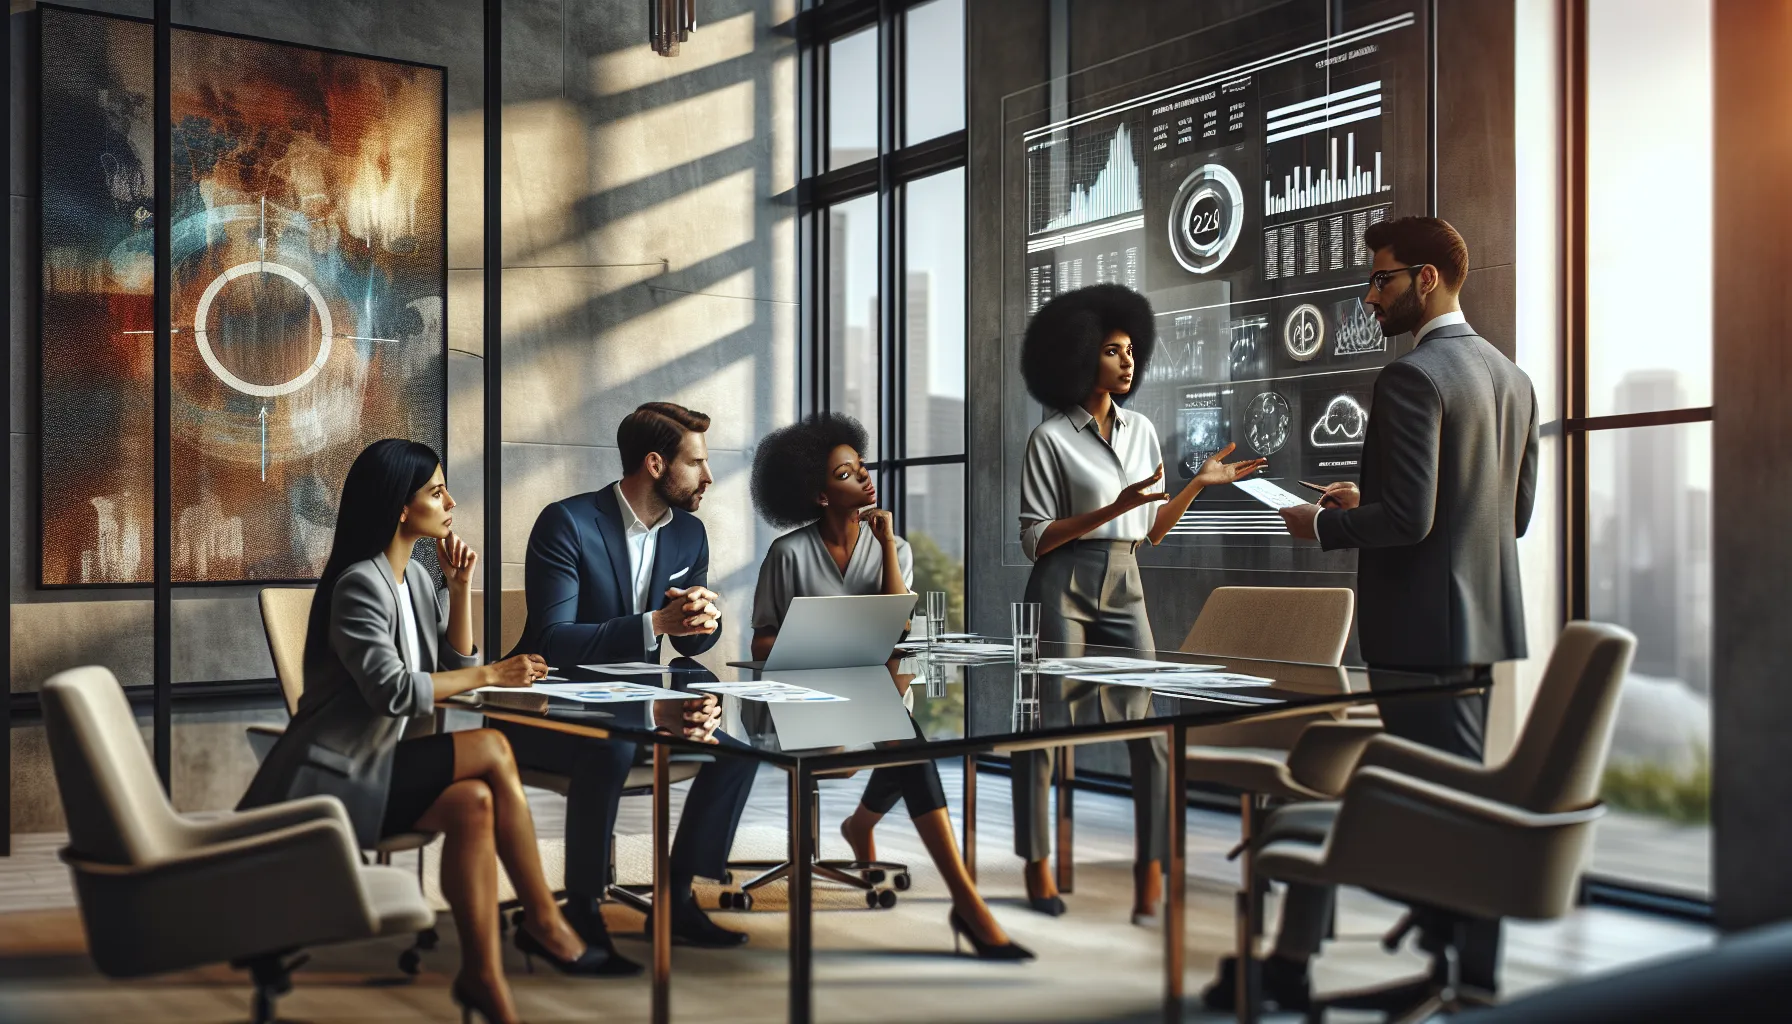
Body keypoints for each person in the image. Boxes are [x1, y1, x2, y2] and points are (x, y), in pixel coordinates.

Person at [1204, 217, 1539, 1011]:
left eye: (1381, 279)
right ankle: (1323, 963)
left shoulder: (1412, 378)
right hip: (1481, 629)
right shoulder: (1514, 379)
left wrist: (1321, 522)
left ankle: (1470, 981)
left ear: (1426, 280)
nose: (1369, 294)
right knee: (1441, 796)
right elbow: (1508, 515)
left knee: (1442, 811)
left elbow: (1412, 524)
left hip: (1419, 634)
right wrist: (1374, 503)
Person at [239, 439, 610, 1024]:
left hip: (384, 768)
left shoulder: (412, 579)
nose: (451, 501)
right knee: (490, 745)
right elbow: (393, 690)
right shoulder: (360, 584)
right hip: (338, 779)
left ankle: (482, 977)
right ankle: (543, 920)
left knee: (474, 804)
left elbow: (450, 670)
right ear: (399, 508)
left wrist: (459, 588)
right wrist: (493, 672)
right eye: (436, 492)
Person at [1012, 283, 1266, 923]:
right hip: (1061, 584)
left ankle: (1151, 875)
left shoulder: (1143, 430)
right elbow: (1035, 538)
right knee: (1045, 729)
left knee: (1148, 731)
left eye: (1130, 351)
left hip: (1126, 583)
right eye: (1111, 351)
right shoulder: (1050, 439)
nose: (1127, 363)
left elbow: (1150, 529)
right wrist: (1112, 507)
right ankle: (1037, 867)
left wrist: (1195, 488)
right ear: (1078, 358)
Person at [749, 412, 1033, 961]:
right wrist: (813, 645)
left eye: (862, 468)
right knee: (905, 739)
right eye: (846, 474)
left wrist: (882, 545)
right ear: (817, 494)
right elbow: (761, 644)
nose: (864, 479)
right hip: (800, 700)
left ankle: (958, 894)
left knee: (906, 738)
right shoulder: (787, 554)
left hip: (871, 692)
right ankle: (935, 879)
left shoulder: (893, 546)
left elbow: (898, 626)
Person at [496, 402, 758, 962]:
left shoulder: (689, 534)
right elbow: (555, 638)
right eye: (698, 463)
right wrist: (654, 623)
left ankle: (676, 898)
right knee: (611, 752)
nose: (709, 476)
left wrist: (700, 622)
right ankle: (582, 911)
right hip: (541, 703)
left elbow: (688, 645)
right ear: (657, 464)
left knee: (736, 754)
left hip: (633, 702)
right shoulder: (566, 522)